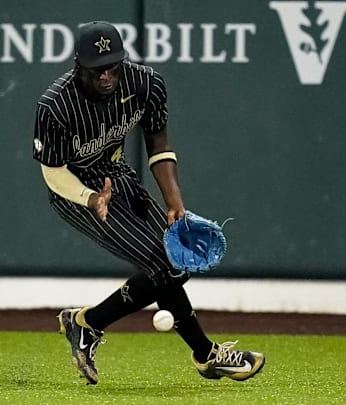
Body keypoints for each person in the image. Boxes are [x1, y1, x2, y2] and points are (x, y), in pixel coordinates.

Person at [31, 21, 265, 385]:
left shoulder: (145, 83)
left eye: (113, 65)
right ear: (79, 66)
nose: (107, 75)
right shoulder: (56, 105)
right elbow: (54, 173)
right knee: (163, 265)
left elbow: (159, 145)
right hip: (77, 191)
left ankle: (86, 324)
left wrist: (174, 201)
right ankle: (207, 355)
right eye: (98, 69)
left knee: (176, 262)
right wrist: (90, 198)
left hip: (116, 174)